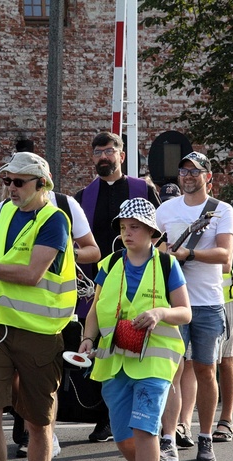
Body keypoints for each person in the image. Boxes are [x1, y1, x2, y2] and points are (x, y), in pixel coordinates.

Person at [0, 151, 77, 461]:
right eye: (6, 181)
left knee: (38, 421)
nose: (10, 188)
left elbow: (31, 274)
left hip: (40, 333)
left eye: (18, 181)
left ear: (41, 184)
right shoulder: (2, 213)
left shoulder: (54, 219)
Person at [79, 197, 191, 461]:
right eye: (124, 227)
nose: (128, 233)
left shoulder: (167, 264)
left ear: (152, 232)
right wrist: (88, 340)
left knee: (144, 431)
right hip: (114, 361)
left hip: (154, 364)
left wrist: (160, 313)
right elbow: (94, 311)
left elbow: (185, 312)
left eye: (136, 228)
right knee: (123, 439)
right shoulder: (111, 263)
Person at [74, 131, 160, 442]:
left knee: (138, 345)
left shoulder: (142, 189)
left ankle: (145, 416)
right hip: (101, 280)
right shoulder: (84, 196)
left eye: (109, 151)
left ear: (121, 155)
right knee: (102, 346)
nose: (103, 157)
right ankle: (105, 417)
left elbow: (159, 235)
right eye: (98, 152)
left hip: (140, 277)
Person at [156, 151, 233, 461]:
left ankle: (205, 438)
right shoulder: (165, 210)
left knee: (205, 370)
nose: (188, 176)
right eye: (184, 171)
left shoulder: (221, 210)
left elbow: (225, 256)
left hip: (208, 302)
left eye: (195, 171)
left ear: (208, 178)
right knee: (171, 372)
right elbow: (154, 245)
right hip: (174, 302)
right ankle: (168, 439)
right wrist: (164, 250)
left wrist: (188, 253)